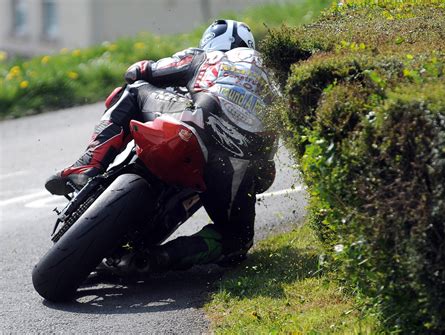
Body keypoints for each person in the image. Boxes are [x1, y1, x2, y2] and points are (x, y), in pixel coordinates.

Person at [45, 19, 277, 274]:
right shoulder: (271, 80)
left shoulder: (205, 56)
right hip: (235, 161)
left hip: (194, 124)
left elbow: (141, 71)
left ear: (211, 40)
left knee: (133, 90)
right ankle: (162, 257)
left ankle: (88, 164)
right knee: (237, 240)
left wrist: (149, 72)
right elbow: (266, 172)